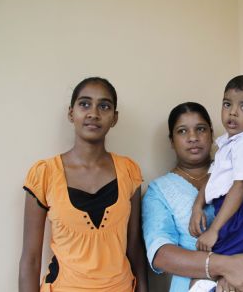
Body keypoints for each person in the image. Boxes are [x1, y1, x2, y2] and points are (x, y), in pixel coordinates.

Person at [142, 102, 243, 292]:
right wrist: (224, 266)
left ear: (211, 134)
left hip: (242, 284)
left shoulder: (240, 174)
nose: (193, 137)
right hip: (191, 286)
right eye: (182, 131)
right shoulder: (159, 190)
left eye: (200, 129)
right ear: (171, 140)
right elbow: (161, 254)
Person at [19, 77, 148, 292]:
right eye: (85, 104)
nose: (93, 114)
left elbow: (134, 247)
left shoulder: (129, 171)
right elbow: (30, 259)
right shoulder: (44, 174)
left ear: (114, 118)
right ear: (71, 113)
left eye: (104, 106)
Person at [189, 75, 243, 291]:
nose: (233, 112)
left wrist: (214, 229)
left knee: (206, 265)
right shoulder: (228, 144)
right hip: (234, 214)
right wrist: (197, 207)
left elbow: (239, 187)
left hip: (240, 215)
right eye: (227, 104)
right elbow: (211, 179)